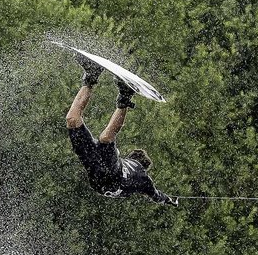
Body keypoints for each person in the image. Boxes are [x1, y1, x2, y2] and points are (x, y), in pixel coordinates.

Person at [64, 54, 176, 204]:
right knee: (104, 139)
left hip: (92, 164)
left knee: (72, 120)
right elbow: (157, 196)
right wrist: (169, 201)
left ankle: (92, 76)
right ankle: (124, 97)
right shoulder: (142, 179)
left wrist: (168, 200)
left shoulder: (143, 182)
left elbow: (157, 196)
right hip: (112, 170)